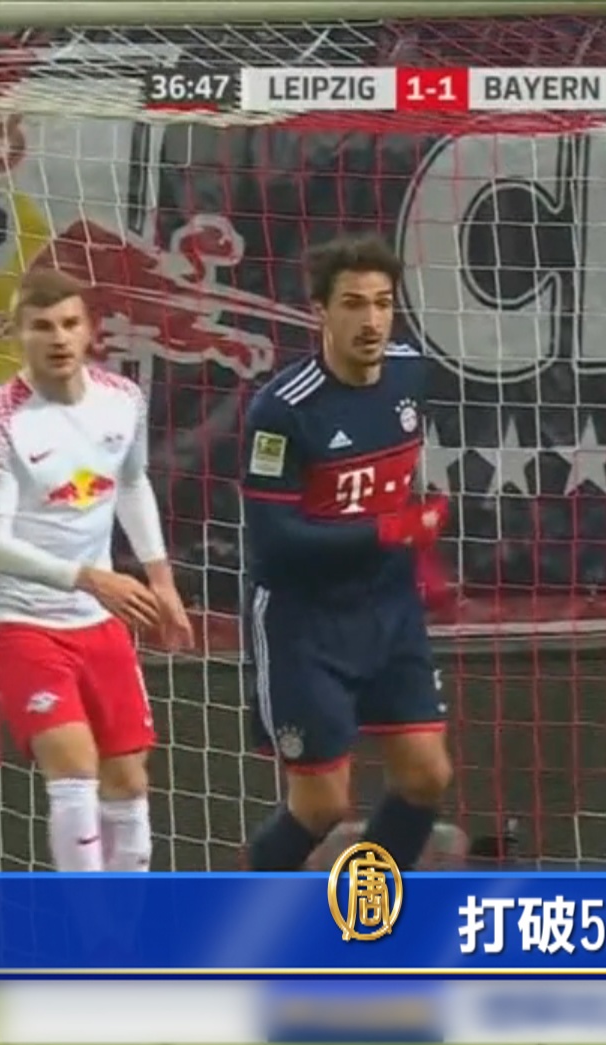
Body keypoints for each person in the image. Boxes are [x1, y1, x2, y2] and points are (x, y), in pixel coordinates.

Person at [239, 234, 453, 872]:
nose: (372, 321)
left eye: (383, 304)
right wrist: (387, 533)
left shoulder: (411, 374)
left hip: (389, 612)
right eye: (354, 304)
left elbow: (397, 494)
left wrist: (417, 552)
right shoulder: (282, 411)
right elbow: (275, 542)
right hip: (304, 625)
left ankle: (368, 906)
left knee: (427, 776)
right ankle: (241, 913)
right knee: (322, 806)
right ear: (321, 312)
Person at [0, 268, 192, 872]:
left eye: (69, 324)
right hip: (20, 622)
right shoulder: (4, 421)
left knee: (128, 783)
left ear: (89, 330)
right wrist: (88, 577)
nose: (58, 338)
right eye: (41, 326)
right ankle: (82, 928)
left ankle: (126, 924)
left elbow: (132, 484)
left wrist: (162, 582)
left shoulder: (123, 399)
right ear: (15, 334)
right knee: (75, 770)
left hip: (98, 624)